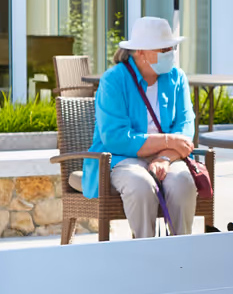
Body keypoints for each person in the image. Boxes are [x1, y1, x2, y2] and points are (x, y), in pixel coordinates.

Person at [83, 16, 198, 238]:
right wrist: (168, 141)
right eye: (163, 48)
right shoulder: (113, 80)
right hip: (119, 159)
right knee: (141, 184)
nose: (170, 53)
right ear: (140, 52)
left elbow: (185, 127)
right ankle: (146, 250)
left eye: (171, 47)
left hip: (167, 158)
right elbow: (116, 138)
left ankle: (181, 252)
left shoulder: (177, 77)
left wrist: (164, 157)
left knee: (183, 181)